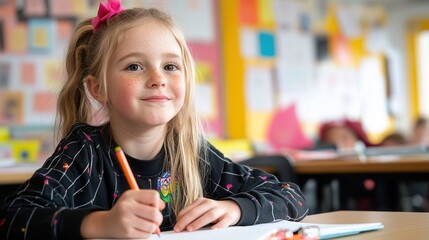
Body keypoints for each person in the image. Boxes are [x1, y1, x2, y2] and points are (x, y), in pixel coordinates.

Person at [0, 1, 308, 239]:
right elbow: (12, 217)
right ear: (97, 88)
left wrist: (234, 208)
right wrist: (100, 224)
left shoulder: (191, 153)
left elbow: (291, 196)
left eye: (171, 66)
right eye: (134, 67)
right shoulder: (84, 152)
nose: (158, 78)